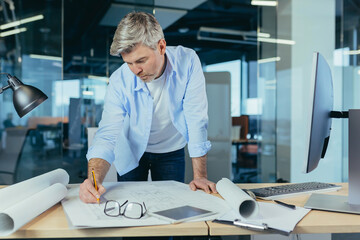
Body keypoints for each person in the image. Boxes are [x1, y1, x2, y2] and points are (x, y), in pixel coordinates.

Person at [79, 12, 217, 203]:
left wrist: (200, 176)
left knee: (171, 210)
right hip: (131, 148)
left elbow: (196, 118)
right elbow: (107, 133)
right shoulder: (120, 80)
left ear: (161, 46)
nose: (135, 70)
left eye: (141, 61)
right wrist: (92, 182)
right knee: (130, 211)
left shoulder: (188, 61)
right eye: (129, 63)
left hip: (171, 149)